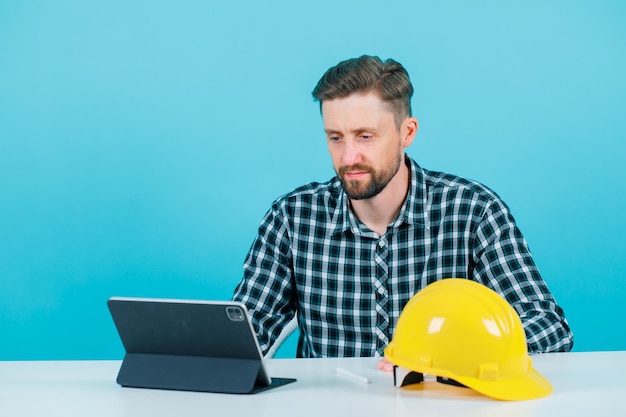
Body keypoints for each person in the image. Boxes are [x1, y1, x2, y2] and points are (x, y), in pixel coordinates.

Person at [233, 55, 574, 361]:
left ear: (406, 132)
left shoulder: (473, 212)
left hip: (443, 403)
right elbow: (245, 335)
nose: (348, 157)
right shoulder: (292, 218)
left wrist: (456, 357)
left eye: (365, 136)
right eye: (336, 137)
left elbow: (548, 327)